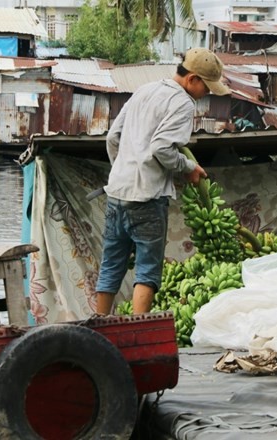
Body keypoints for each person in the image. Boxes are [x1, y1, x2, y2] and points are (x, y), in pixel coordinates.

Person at [95, 48, 231, 315]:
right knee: (147, 270)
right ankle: (138, 334)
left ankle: (95, 329)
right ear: (192, 79)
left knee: (111, 264)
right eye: (207, 87)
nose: (208, 94)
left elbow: (113, 137)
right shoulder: (182, 103)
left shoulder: (144, 90)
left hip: (117, 193)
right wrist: (188, 167)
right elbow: (162, 148)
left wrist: (122, 169)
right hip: (147, 198)